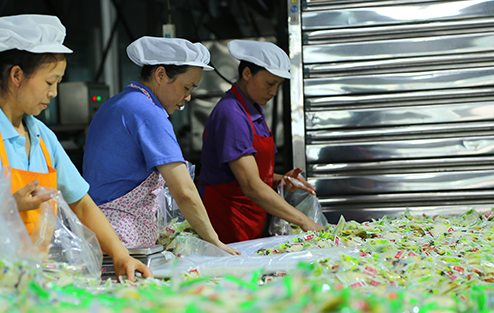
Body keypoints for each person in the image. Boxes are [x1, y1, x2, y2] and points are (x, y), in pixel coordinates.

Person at [0, 14, 151, 281]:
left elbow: (81, 204)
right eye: (49, 82)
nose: (54, 92)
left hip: (32, 281)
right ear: (17, 75)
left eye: (57, 82)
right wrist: (6, 205)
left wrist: (120, 254)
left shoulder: (42, 136)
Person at [83, 36, 239, 255]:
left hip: (99, 230)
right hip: (121, 235)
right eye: (187, 87)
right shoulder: (148, 112)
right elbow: (183, 190)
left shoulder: (117, 103)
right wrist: (214, 241)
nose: (188, 97)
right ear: (161, 74)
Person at [199, 40, 324, 244]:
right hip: (228, 217)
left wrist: (280, 180)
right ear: (247, 74)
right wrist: (304, 221)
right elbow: (250, 185)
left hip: (250, 215)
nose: (274, 92)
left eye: (278, 85)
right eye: (270, 83)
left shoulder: (253, 109)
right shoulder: (232, 114)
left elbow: (250, 172)